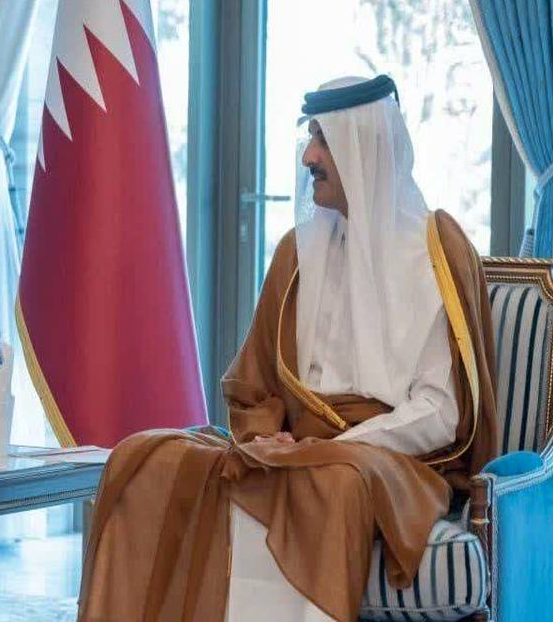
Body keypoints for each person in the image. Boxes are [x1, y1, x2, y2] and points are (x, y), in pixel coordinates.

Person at [77, 75, 498, 622]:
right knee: (146, 457)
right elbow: (254, 383)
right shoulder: (298, 252)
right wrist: (266, 437)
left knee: (330, 482)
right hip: (289, 447)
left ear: (363, 146)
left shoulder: (435, 250)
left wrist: (333, 446)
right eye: (310, 138)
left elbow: (440, 412)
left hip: (390, 461)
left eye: (323, 139)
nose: (308, 157)